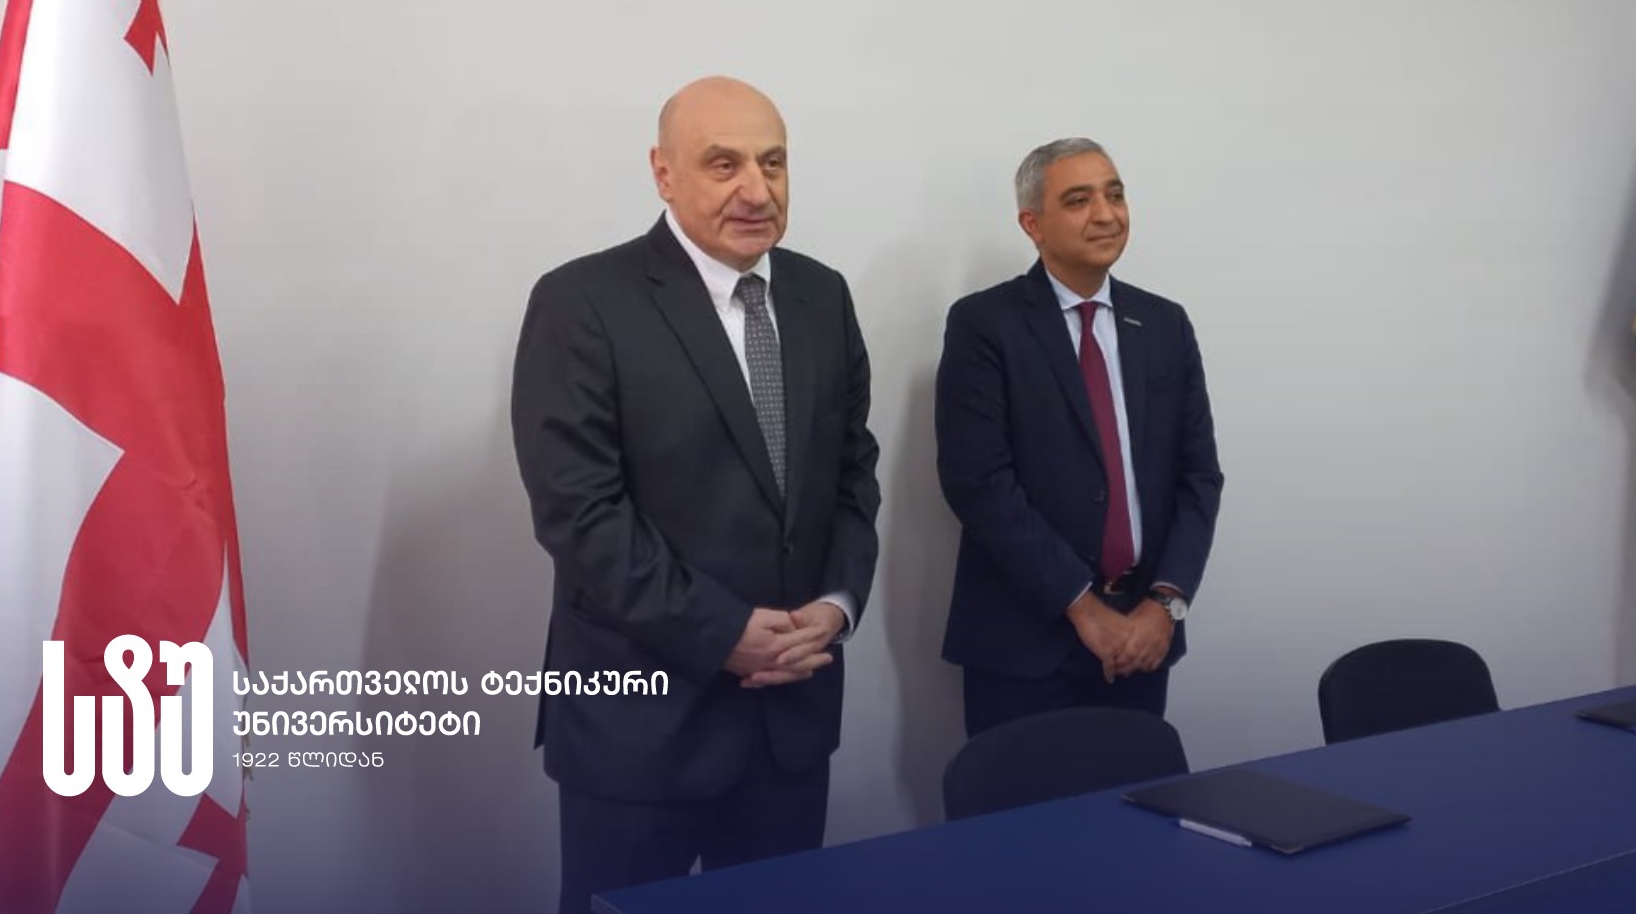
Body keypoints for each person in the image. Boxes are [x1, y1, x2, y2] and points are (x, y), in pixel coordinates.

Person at [511, 76, 881, 914]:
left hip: (790, 718)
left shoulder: (822, 296)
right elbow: (579, 513)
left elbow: (852, 473)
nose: (757, 189)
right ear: (663, 173)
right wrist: (723, 633)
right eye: (724, 164)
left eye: (773, 163)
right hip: (639, 730)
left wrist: (837, 604)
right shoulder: (581, 302)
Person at [935, 137, 1222, 738]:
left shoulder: (1164, 324)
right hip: (1023, 644)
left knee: (1133, 796)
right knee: (1021, 800)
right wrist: (1084, 608)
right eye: (1079, 200)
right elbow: (979, 485)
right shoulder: (984, 324)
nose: (1106, 214)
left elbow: (1198, 478)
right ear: (1032, 224)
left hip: (1143, 637)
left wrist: (1165, 605)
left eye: (1115, 195)